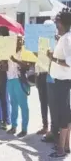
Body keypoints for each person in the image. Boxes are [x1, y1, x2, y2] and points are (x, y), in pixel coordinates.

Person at [47, 8, 71, 158]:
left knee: (62, 116)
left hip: (62, 82)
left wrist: (52, 58)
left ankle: (61, 149)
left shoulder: (67, 39)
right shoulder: (64, 38)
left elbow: (69, 62)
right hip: (61, 82)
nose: (55, 23)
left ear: (61, 23)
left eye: (57, 20)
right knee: (66, 115)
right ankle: (66, 146)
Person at [7, 36, 30, 137]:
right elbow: (5, 66)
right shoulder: (8, 52)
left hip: (20, 80)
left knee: (23, 105)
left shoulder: (25, 52)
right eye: (17, 40)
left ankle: (24, 129)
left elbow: (28, 65)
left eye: (21, 40)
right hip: (10, 79)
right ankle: (14, 126)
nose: (19, 42)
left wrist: (15, 60)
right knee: (13, 104)